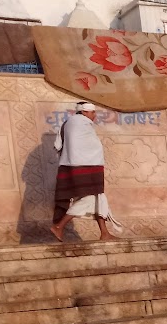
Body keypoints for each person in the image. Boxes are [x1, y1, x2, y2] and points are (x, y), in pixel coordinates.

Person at [50, 101, 122, 242]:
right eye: (92, 112)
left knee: (98, 197)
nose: (94, 115)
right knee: (90, 198)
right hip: (86, 167)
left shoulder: (68, 123)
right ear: (83, 111)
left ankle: (104, 233)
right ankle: (59, 226)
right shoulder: (82, 123)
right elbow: (89, 146)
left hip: (73, 166)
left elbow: (62, 145)